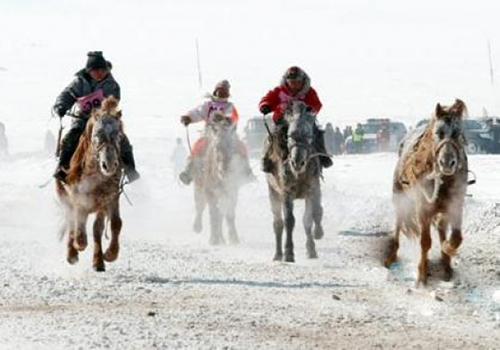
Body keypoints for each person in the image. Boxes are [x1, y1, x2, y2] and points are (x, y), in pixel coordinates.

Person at [52, 51, 139, 183]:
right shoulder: (79, 82)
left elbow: (113, 100)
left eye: (102, 70)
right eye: (96, 71)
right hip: (82, 119)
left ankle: (130, 170)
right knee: (70, 137)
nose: (100, 73)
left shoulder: (111, 84)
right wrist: (61, 106)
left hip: (106, 120)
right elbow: (67, 94)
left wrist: (105, 109)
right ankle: (63, 168)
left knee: (122, 139)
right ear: (89, 71)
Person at [178, 80, 256, 185]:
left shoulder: (230, 106)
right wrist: (188, 117)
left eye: (224, 91)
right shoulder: (208, 105)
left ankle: (246, 172)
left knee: (241, 147)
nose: (221, 93)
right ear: (215, 91)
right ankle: (189, 172)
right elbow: (198, 112)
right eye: (219, 91)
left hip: (227, 133)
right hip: (209, 132)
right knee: (198, 146)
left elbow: (233, 116)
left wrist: (226, 119)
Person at [258, 66, 333, 172]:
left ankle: (322, 155)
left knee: (317, 132)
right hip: (283, 120)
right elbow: (267, 99)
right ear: (287, 81)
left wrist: (311, 109)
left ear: (302, 81)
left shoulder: (309, 91)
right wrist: (265, 105)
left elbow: (317, 104)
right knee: (272, 135)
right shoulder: (279, 91)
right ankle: (266, 158)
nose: (294, 85)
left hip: (304, 120)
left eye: (297, 82)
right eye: (291, 82)